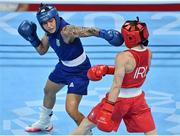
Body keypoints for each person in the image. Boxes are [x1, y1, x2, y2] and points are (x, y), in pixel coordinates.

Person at [17, 4, 124, 132]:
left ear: (56, 18)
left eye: (51, 21)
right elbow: (42, 50)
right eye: (45, 23)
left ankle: (86, 133)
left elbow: (87, 30)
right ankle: (45, 122)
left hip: (79, 71)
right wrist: (32, 38)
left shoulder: (66, 31)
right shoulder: (48, 32)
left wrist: (104, 34)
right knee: (48, 91)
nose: (49, 25)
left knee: (71, 110)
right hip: (63, 67)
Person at [70, 17, 158, 135]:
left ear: (129, 37)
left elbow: (116, 85)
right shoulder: (149, 53)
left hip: (119, 100)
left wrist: (108, 108)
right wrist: (107, 69)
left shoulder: (123, 56)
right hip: (138, 100)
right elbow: (136, 71)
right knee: (151, 131)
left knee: (86, 125)